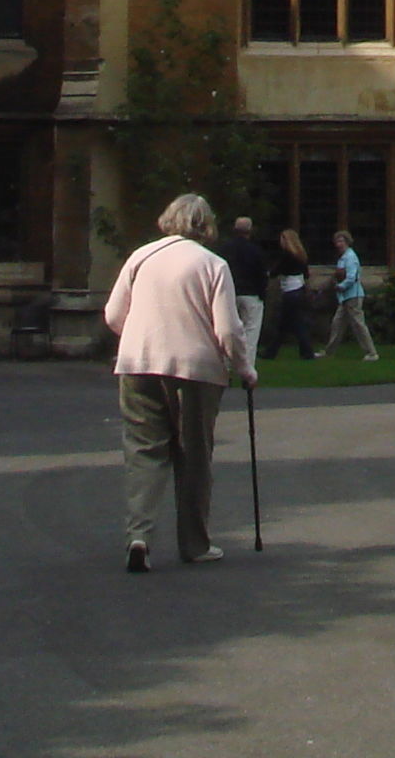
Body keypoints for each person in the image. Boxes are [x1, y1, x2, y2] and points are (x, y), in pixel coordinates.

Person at [103, 192, 254, 572]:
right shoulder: (212, 265)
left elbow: (113, 315)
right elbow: (228, 330)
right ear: (207, 226)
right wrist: (245, 368)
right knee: (193, 456)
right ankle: (195, 543)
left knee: (144, 452)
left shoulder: (141, 257)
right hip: (196, 370)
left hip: (138, 363)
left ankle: (139, 535)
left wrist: (140, 337)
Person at [263, 226, 320, 361]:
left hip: (290, 292)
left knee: (294, 324)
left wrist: (268, 273)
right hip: (298, 290)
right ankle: (272, 352)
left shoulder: (287, 256)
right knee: (287, 325)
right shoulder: (301, 256)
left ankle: (306, 352)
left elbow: (275, 272)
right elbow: (306, 274)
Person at [218, 215, 270, 361]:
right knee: (250, 334)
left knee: (228, 332)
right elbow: (261, 274)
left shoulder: (224, 249)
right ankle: (247, 370)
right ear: (250, 231)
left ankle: (226, 367)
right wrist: (262, 294)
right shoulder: (255, 251)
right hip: (251, 295)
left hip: (229, 294)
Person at [323, 227, 379, 362]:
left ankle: (372, 353)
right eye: (337, 241)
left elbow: (352, 277)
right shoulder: (343, 258)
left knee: (358, 324)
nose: (339, 244)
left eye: (341, 241)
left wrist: (340, 287)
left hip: (353, 295)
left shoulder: (350, 257)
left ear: (347, 242)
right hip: (345, 297)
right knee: (337, 324)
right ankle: (329, 351)